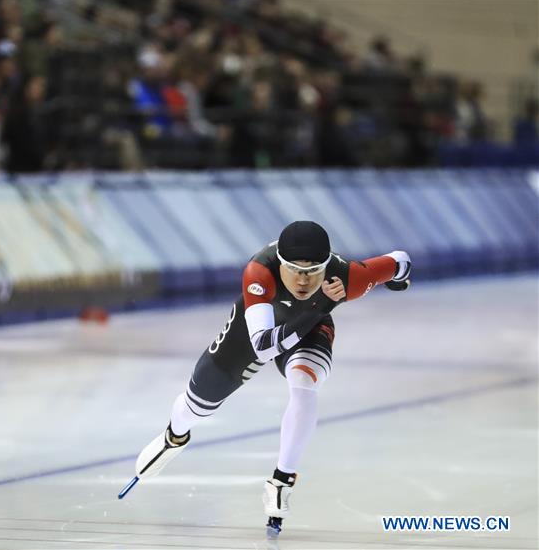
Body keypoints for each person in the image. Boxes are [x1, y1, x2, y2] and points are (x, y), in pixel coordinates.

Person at [127, 221, 412, 535]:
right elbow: (262, 347)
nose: (303, 280)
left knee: (304, 385)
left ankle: (282, 479)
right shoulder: (260, 272)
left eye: (313, 270)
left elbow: (399, 261)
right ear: (281, 263)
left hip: (310, 327)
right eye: (294, 269)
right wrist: (320, 304)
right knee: (198, 405)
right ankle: (175, 437)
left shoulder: (347, 277)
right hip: (258, 330)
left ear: (326, 265)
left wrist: (399, 278)